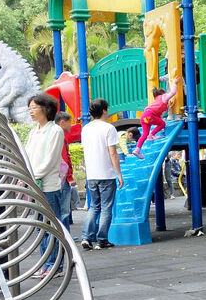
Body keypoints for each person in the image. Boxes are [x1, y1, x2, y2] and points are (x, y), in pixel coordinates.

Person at [25, 93, 68, 276]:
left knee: (51, 226)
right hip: (33, 184)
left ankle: (54, 265)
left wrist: (34, 176)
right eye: (29, 109)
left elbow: (51, 160)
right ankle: (45, 263)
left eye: (34, 108)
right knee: (40, 227)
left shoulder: (55, 131)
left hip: (48, 185)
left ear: (46, 109)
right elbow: (26, 156)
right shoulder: (34, 131)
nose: (31, 112)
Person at [80, 99, 123, 250]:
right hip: (106, 173)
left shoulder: (85, 129)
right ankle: (102, 239)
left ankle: (86, 237)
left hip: (92, 174)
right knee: (106, 208)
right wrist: (119, 173)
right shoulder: (108, 128)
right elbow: (112, 152)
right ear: (104, 110)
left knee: (94, 206)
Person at [131, 82, 178, 159]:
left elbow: (158, 113)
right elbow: (173, 92)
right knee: (162, 124)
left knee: (144, 134)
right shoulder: (163, 97)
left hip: (144, 117)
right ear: (163, 93)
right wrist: (175, 83)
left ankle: (137, 149)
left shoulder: (156, 100)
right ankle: (151, 135)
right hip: (150, 116)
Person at [54, 112, 79, 215]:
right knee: (63, 212)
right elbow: (64, 159)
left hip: (56, 177)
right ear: (62, 122)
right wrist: (69, 177)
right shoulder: (59, 136)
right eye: (70, 122)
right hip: (62, 179)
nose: (71, 125)